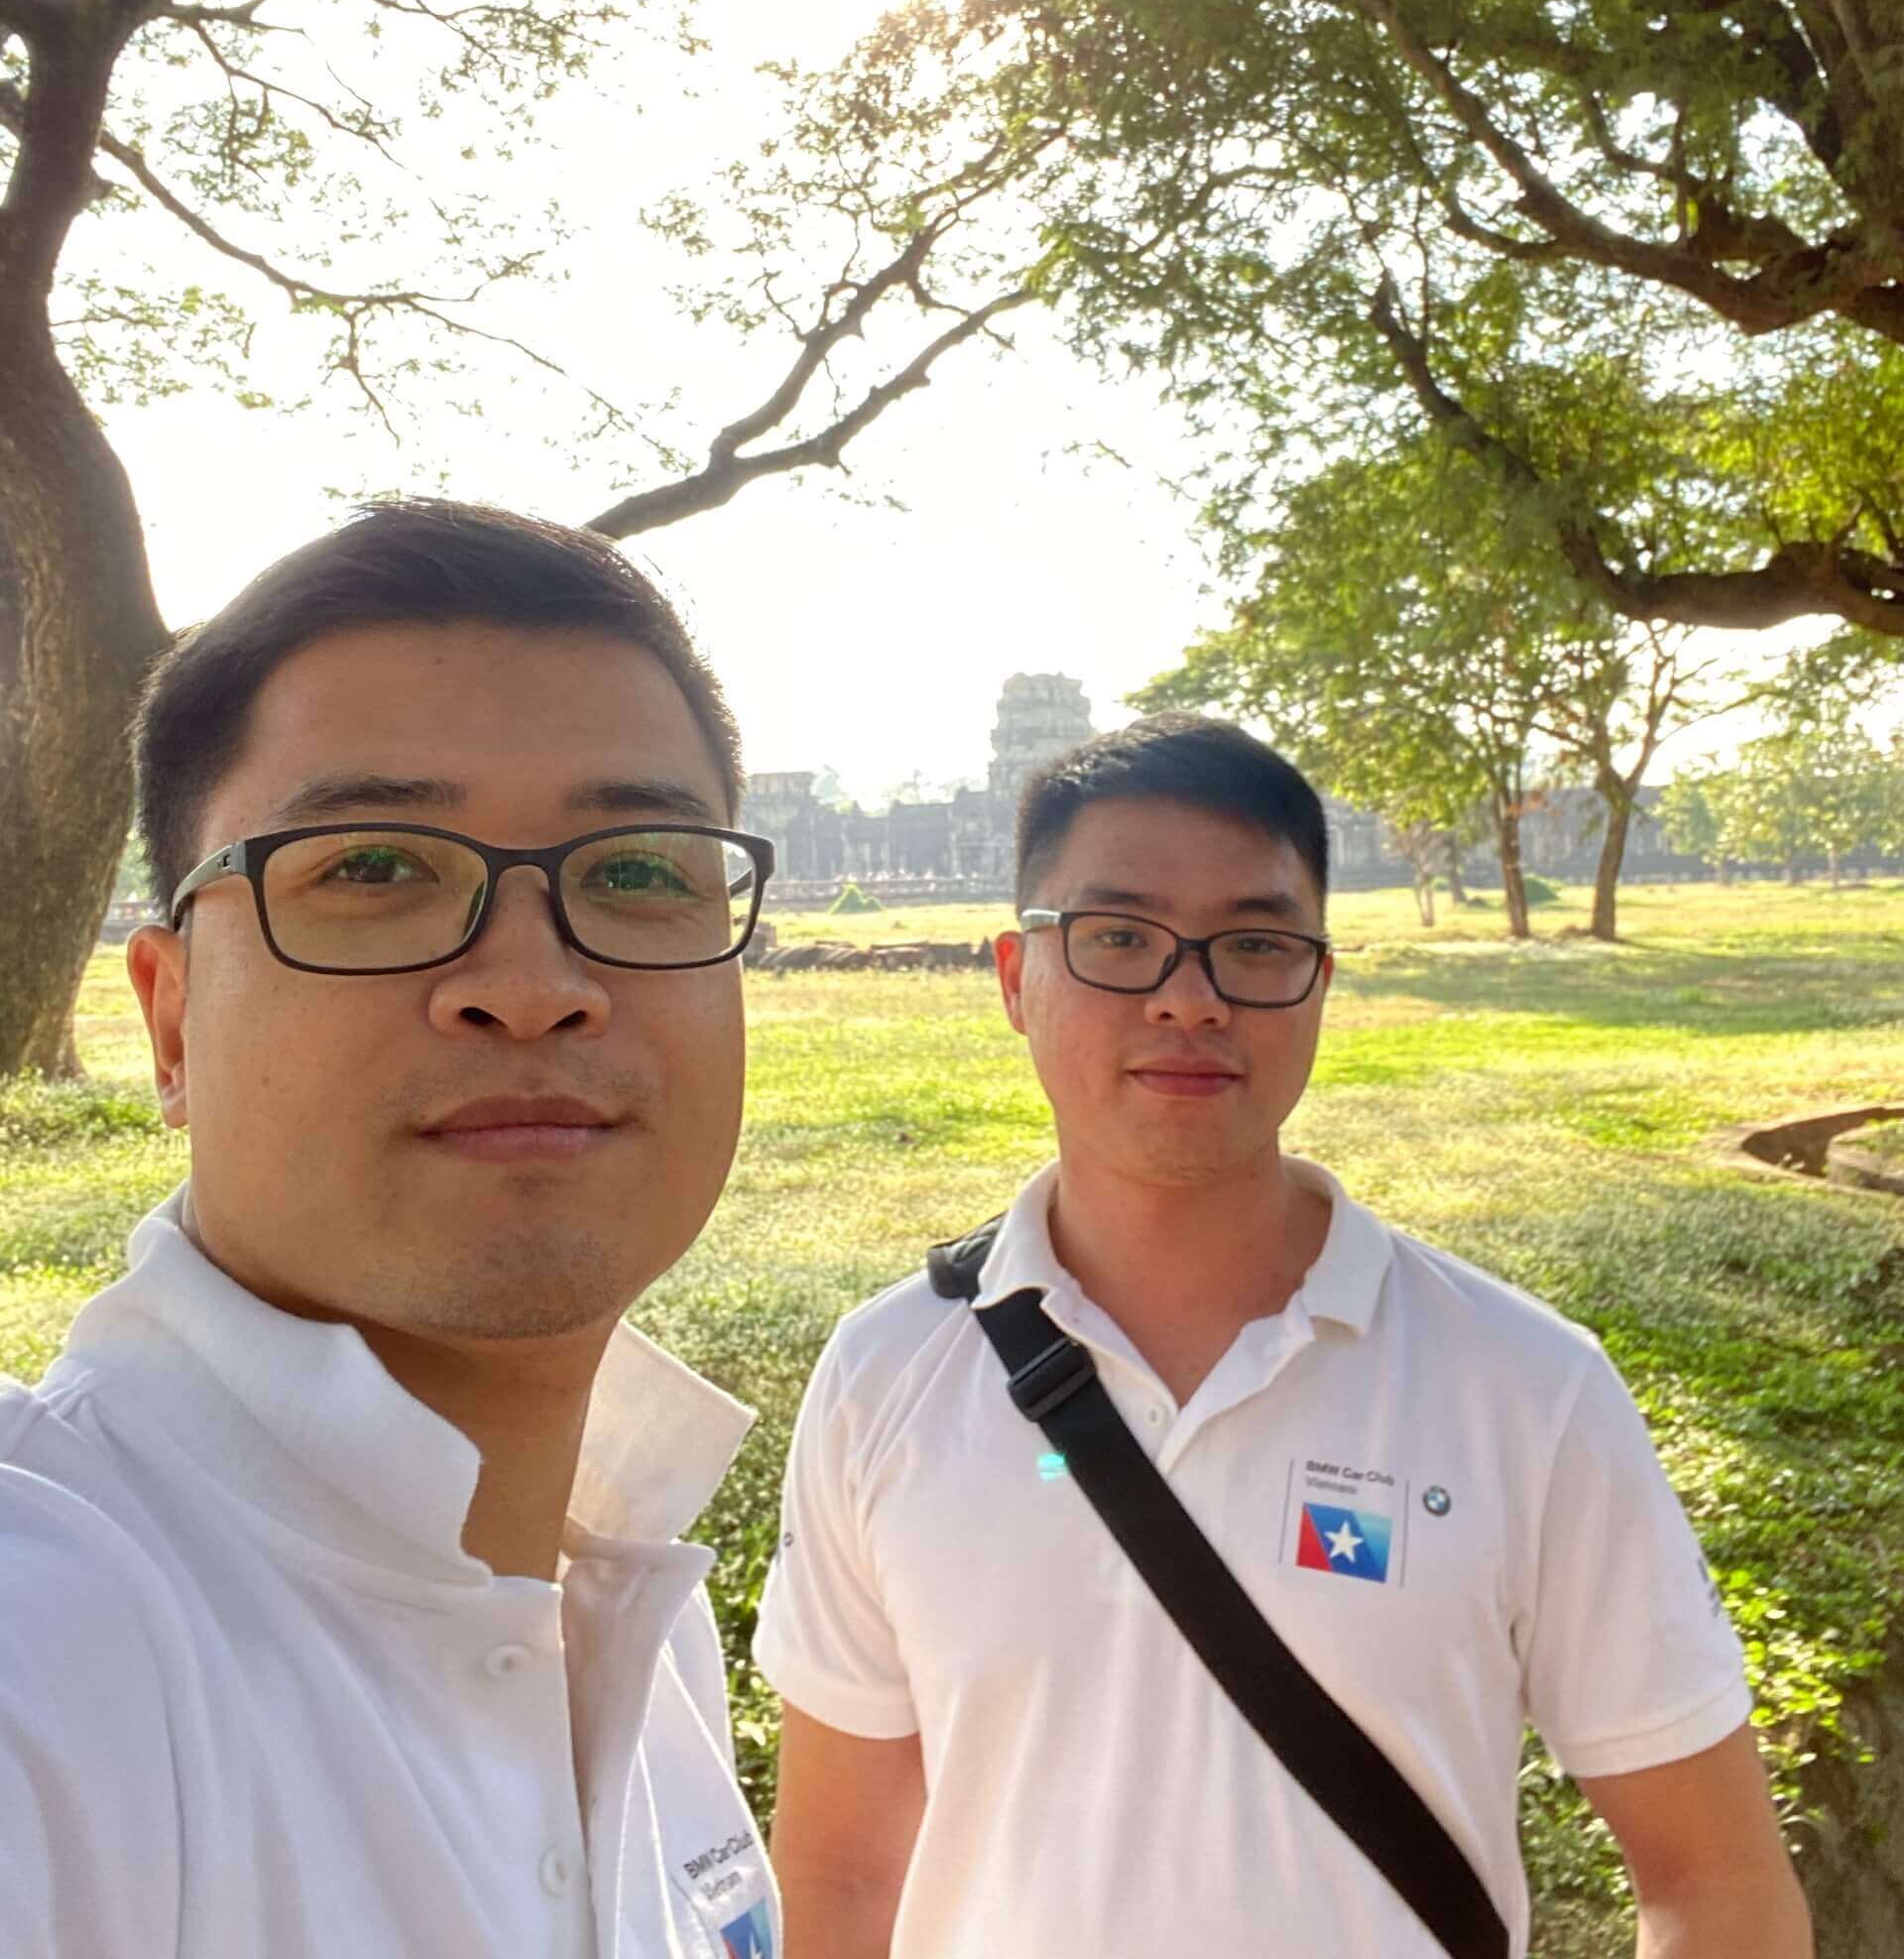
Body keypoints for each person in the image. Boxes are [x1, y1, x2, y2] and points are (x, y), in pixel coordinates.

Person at [755, 714, 1813, 1959]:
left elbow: (1714, 1878)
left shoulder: (1527, 1386)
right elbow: (841, 1874)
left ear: (1318, 980)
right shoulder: (886, 1375)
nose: (1188, 998)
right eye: (1119, 938)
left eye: (1254, 944)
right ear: (1014, 977)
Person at [0, 499, 781, 1959]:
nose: (532, 986)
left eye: (637, 871)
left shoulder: (631, 1610)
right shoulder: (47, 1642)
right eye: (371, 868)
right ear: (171, 1018)